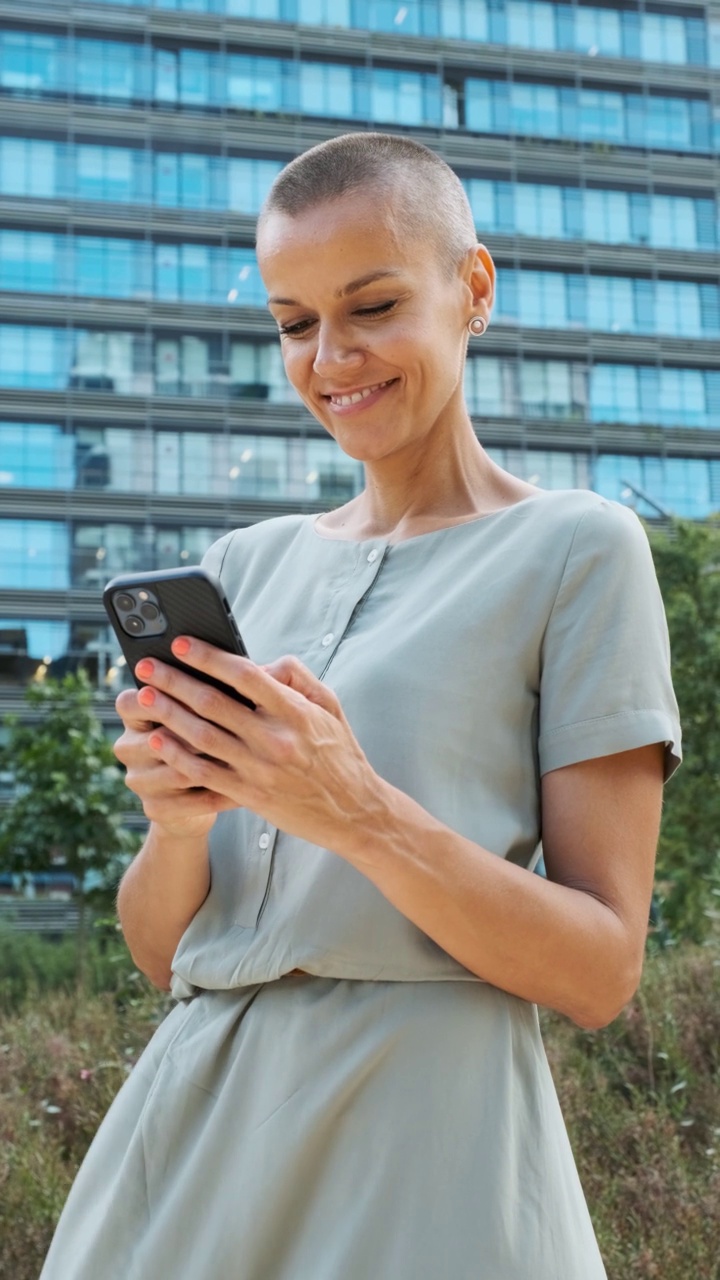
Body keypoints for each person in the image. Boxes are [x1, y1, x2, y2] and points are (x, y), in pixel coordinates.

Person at [41, 132, 681, 1280]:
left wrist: (358, 812)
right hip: (186, 1144)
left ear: (471, 287)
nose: (331, 357)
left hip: (428, 1155)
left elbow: (601, 968)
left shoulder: (577, 548)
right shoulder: (242, 562)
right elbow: (165, 950)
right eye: (294, 322)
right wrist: (181, 824)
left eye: (373, 305)